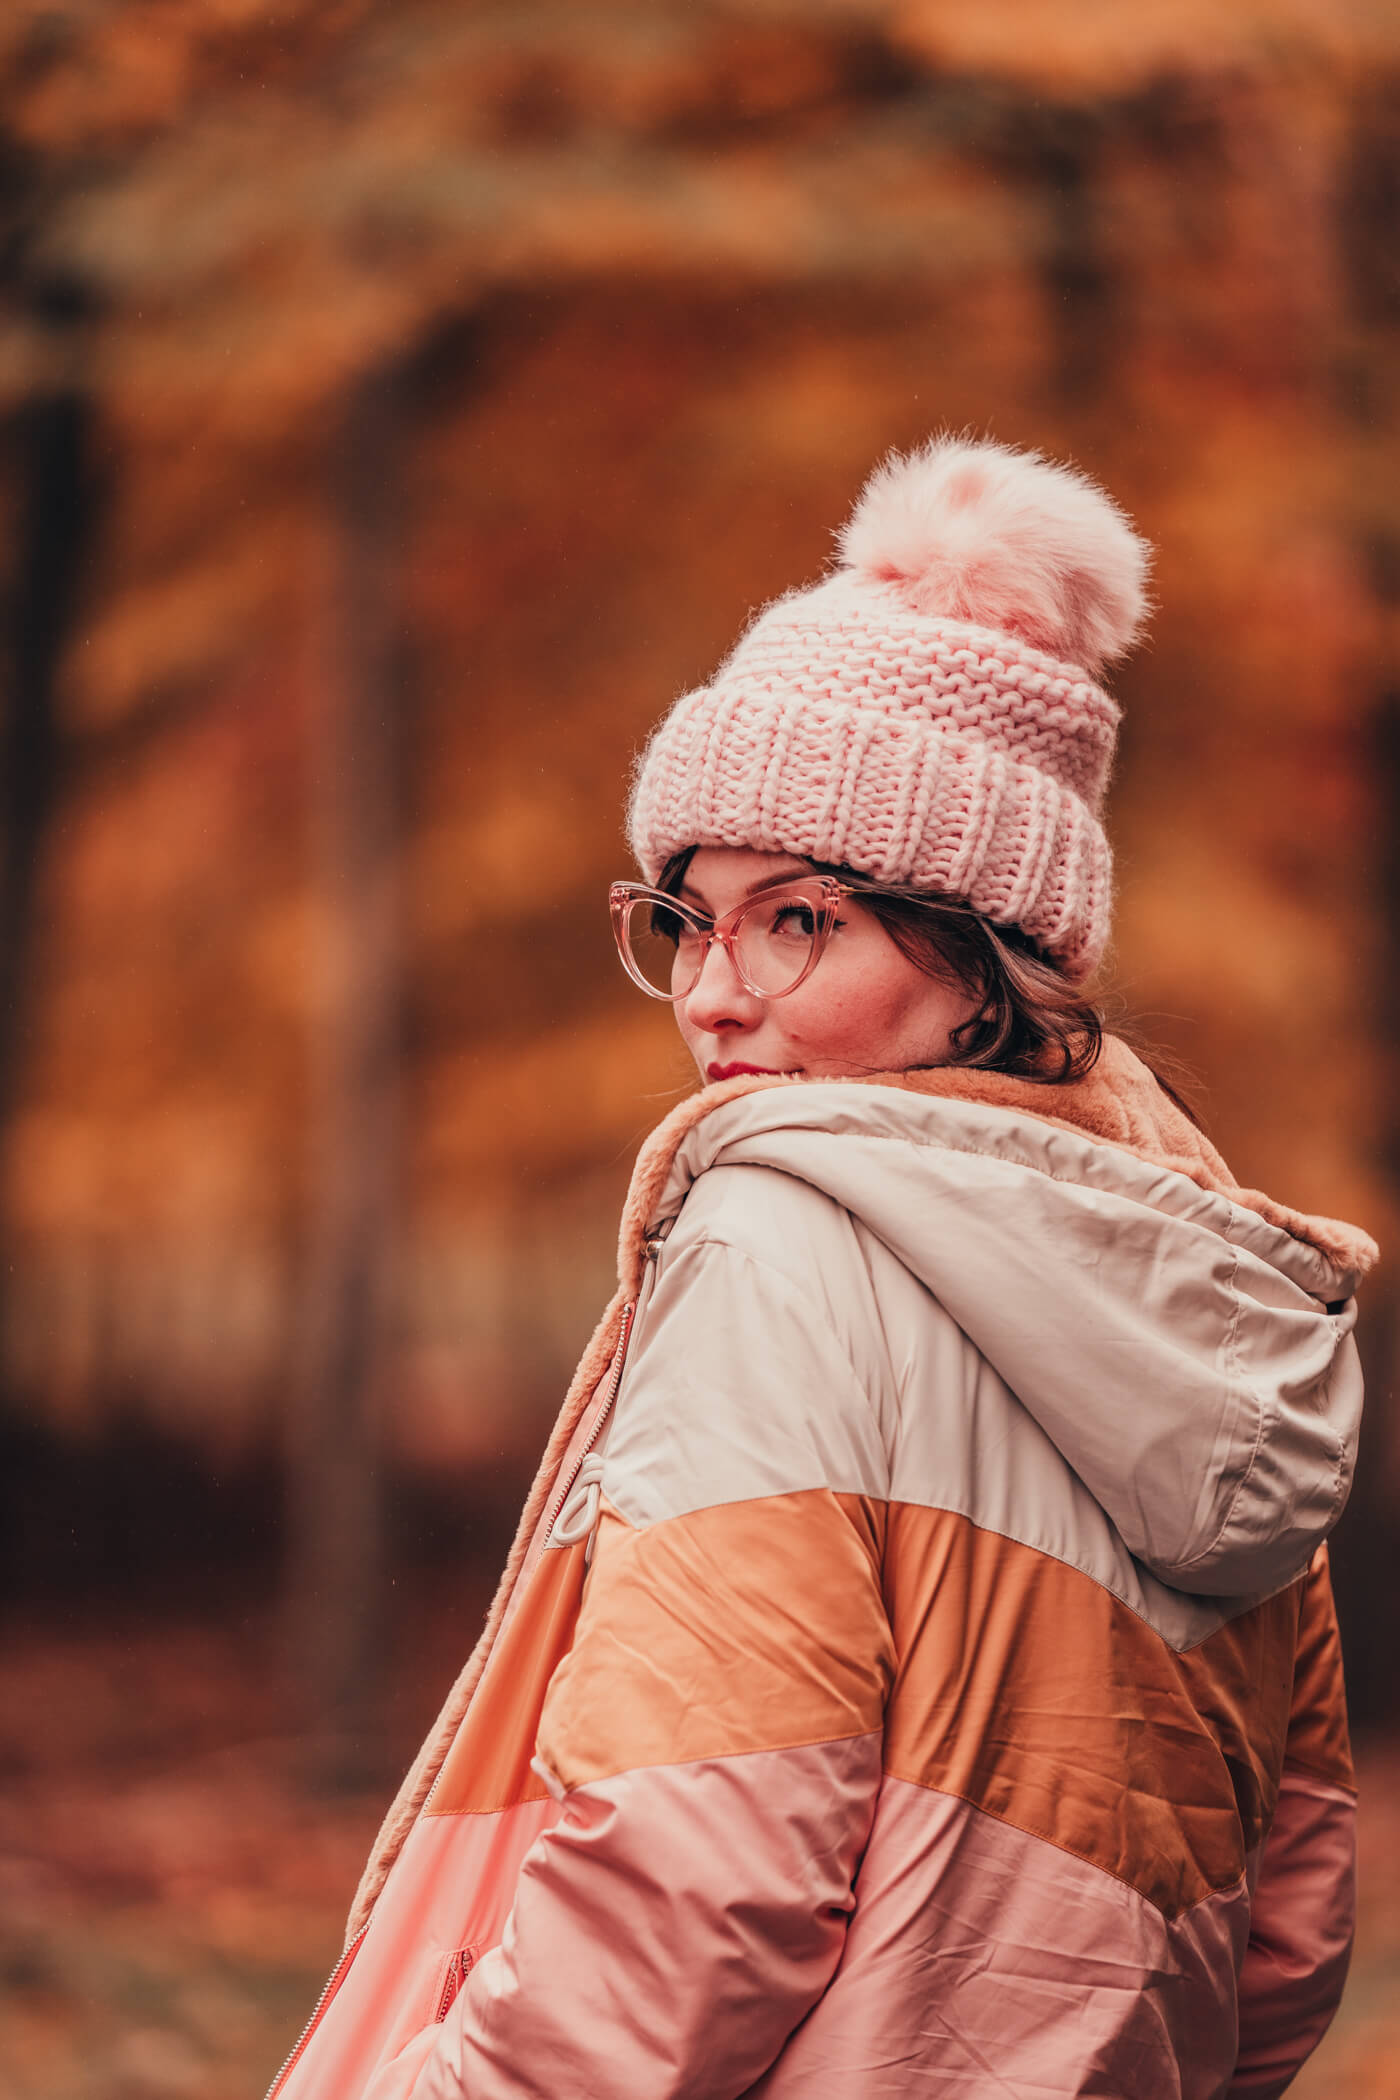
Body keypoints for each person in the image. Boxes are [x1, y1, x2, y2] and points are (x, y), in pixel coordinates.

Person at [270, 435, 1374, 2100]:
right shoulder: (1197, 1266)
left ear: (987, 954)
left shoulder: (785, 1236)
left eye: (799, 919)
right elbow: (1287, 1932)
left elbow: (703, 1881)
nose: (712, 994)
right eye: (686, 916)